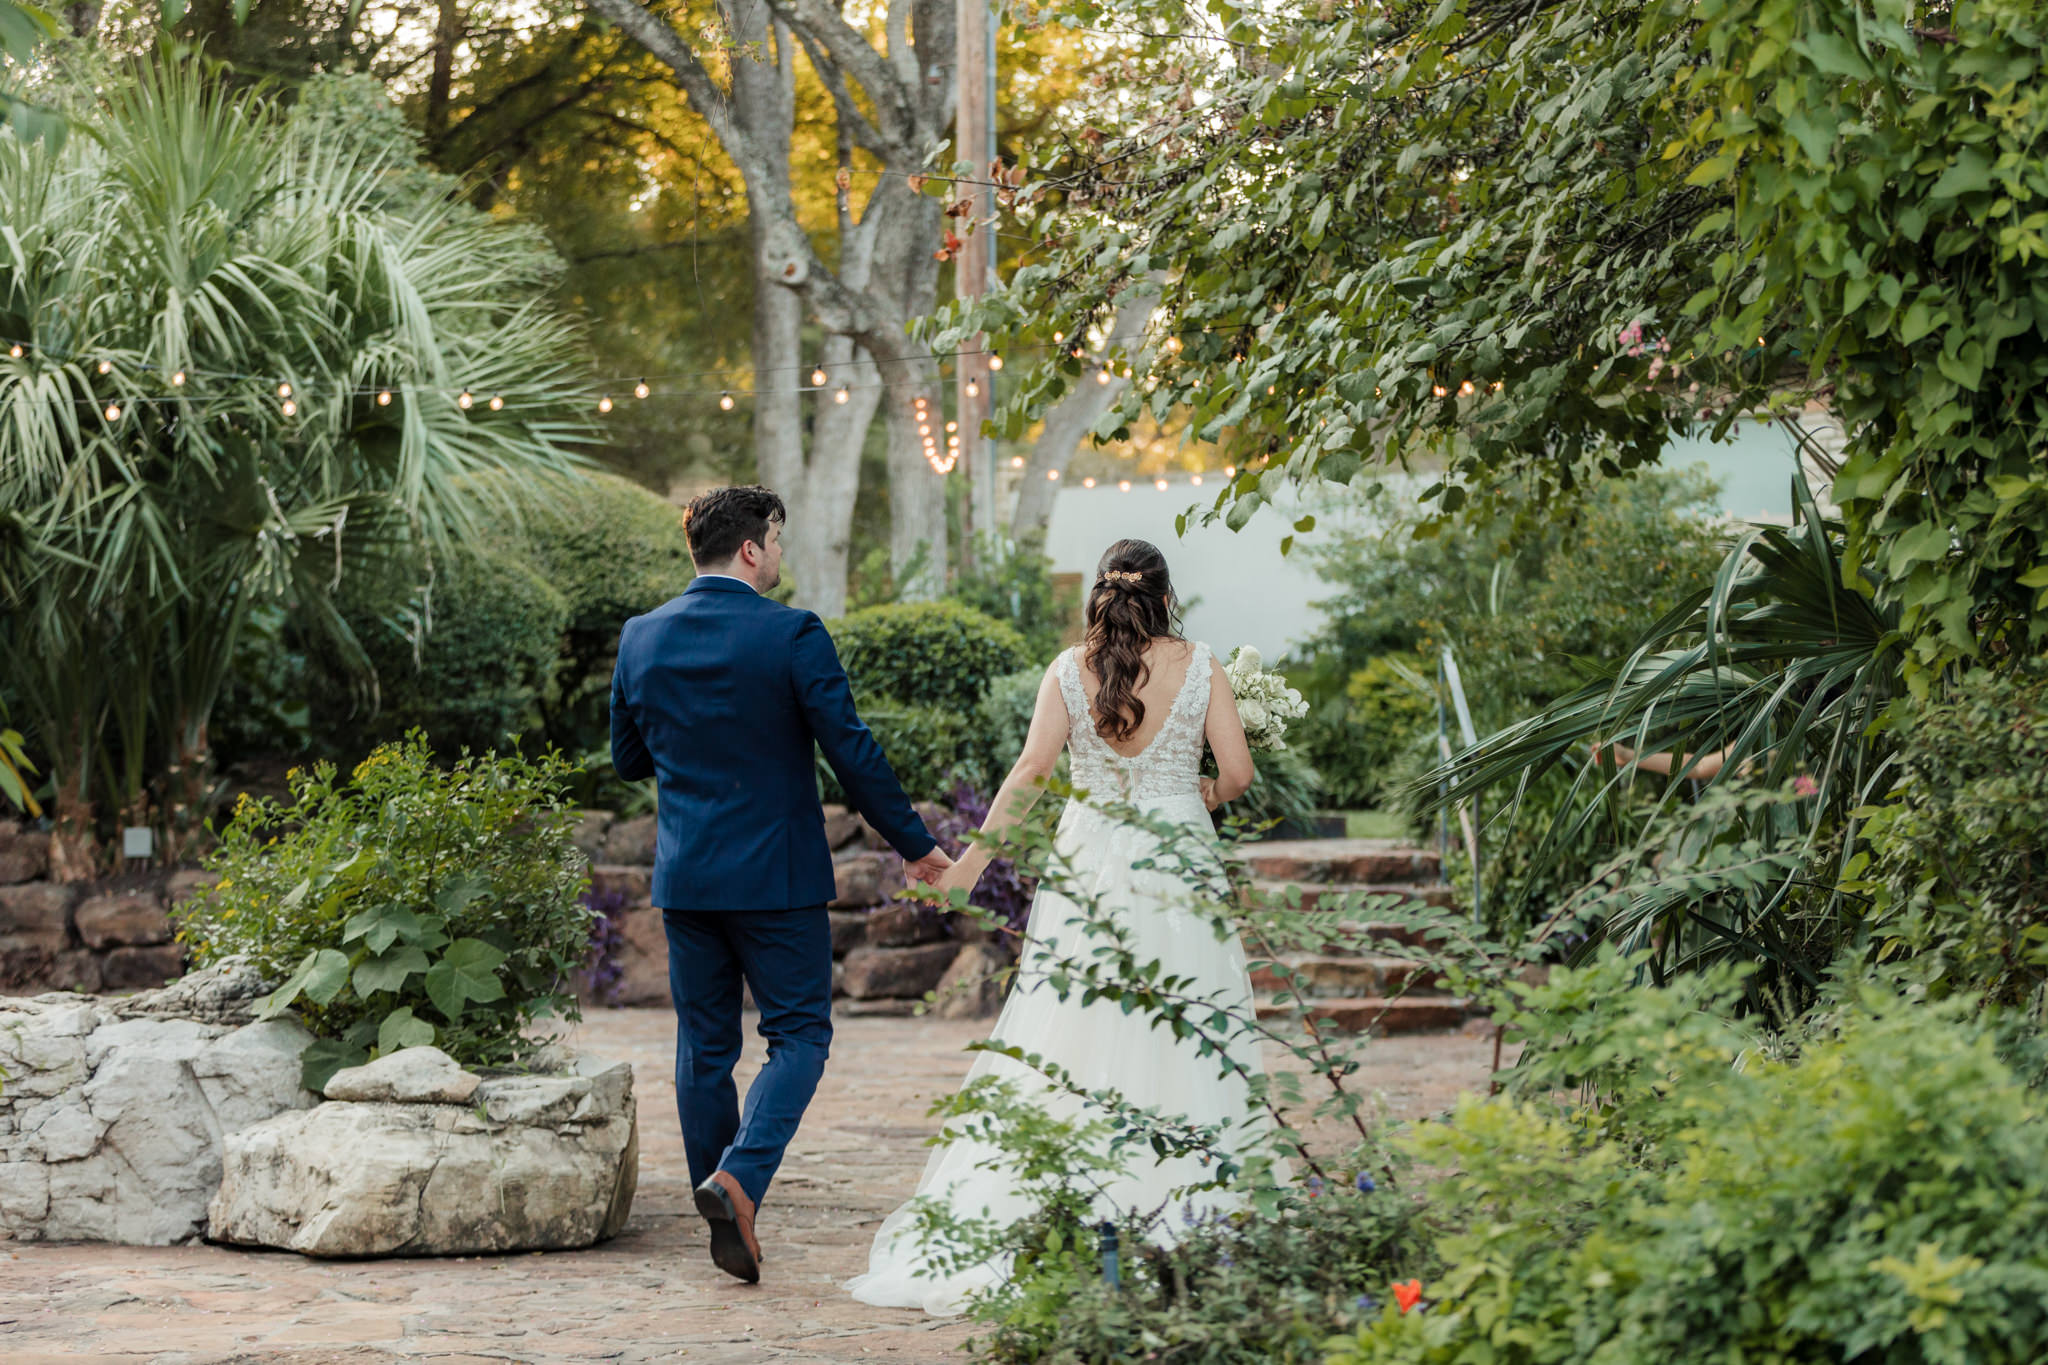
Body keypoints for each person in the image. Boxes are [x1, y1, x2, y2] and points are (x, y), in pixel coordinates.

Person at [847, 538, 1270, 1316]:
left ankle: (1070, 1205)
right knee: (1188, 1021)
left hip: (1091, 862)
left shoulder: (1066, 670)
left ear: (1100, 600)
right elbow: (1238, 774)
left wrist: (968, 869)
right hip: (1177, 859)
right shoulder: (1201, 663)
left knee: (1072, 1023)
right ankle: (1193, 1212)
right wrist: (1197, 793)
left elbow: (1030, 774)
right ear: (1168, 599)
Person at [610, 485, 952, 1285]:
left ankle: (723, 1203)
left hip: (688, 874)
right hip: (778, 877)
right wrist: (915, 844)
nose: (779, 556)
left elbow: (629, 759)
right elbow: (853, 752)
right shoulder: (791, 632)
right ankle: (738, 1181)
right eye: (776, 540)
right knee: (800, 1036)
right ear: (753, 549)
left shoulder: (641, 637)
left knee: (704, 1049)